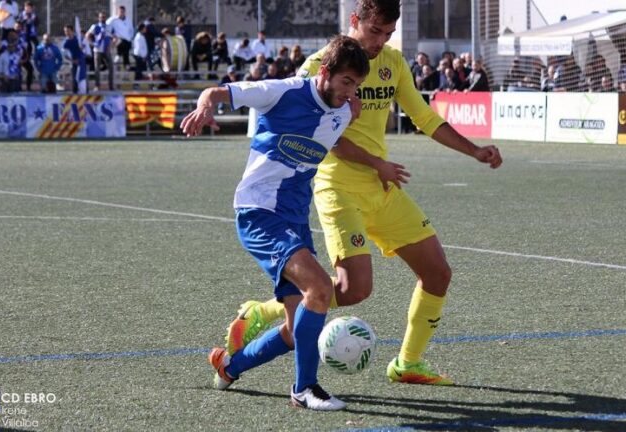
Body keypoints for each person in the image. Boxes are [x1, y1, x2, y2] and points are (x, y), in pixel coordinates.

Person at [223, 0, 502, 386]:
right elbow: (320, 137)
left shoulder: (393, 64)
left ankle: (408, 363)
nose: (381, 41)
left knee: (437, 272)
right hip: (337, 186)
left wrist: (474, 150)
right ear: (355, 21)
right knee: (354, 289)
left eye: (388, 34)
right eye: (375, 32)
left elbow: (423, 117)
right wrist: (376, 162)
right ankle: (268, 311)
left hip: (382, 185)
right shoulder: (324, 63)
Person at [181, 35, 370, 411]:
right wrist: (205, 108)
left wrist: (375, 160)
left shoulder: (346, 108)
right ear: (326, 72)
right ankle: (305, 389)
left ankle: (230, 365)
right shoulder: (281, 91)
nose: (351, 93)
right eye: (346, 82)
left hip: (295, 220)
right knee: (319, 289)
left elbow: (336, 139)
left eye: (357, 86)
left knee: (293, 327)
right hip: (259, 212)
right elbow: (216, 93)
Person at [86, 11, 113, 91]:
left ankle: (111, 85)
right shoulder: (95, 26)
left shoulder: (109, 27)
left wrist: (111, 45)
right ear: (98, 18)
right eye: (101, 17)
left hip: (106, 49)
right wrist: (92, 43)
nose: (102, 19)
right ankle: (97, 85)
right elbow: (87, 35)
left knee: (111, 67)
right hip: (97, 49)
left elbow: (113, 37)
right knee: (97, 68)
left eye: (104, 17)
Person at [106, 5, 134, 70]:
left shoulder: (128, 20)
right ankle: (127, 65)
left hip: (127, 40)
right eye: (120, 11)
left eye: (123, 11)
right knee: (124, 45)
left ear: (125, 12)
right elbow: (107, 29)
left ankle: (118, 57)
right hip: (118, 40)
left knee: (125, 48)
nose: (122, 13)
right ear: (118, 12)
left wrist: (130, 38)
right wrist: (112, 36)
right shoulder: (113, 20)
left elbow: (131, 30)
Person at [61, 25, 84, 93]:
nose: (66, 33)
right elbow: (64, 55)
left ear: (72, 31)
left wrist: (82, 48)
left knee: (83, 78)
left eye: (68, 31)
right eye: (65, 31)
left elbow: (85, 49)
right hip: (73, 63)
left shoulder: (78, 39)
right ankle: (75, 93)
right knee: (74, 78)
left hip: (81, 61)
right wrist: (73, 61)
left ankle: (84, 91)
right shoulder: (65, 42)